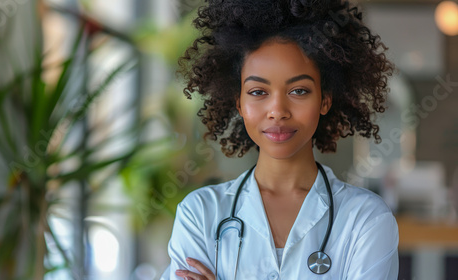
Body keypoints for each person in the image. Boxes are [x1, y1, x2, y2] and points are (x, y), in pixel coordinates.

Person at [161, 0, 399, 279]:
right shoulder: (199, 213)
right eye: (258, 92)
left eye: (298, 91)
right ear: (238, 102)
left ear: (325, 100)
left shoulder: (366, 220)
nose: (277, 111)